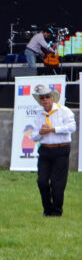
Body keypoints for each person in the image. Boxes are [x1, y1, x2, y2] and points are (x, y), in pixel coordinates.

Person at [32, 84, 77, 216]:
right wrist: (41, 132)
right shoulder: (39, 115)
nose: (45, 100)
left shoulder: (64, 111)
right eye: (42, 98)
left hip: (61, 149)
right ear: (40, 101)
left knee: (58, 183)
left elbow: (72, 127)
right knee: (42, 181)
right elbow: (34, 135)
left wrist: (52, 129)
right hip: (45, 150)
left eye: (47, 97)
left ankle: (56, 211)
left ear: (53, 98)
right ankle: (47, 209)